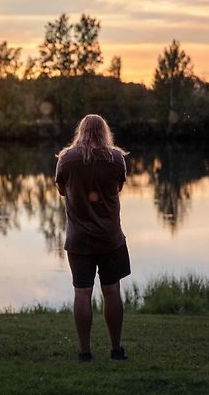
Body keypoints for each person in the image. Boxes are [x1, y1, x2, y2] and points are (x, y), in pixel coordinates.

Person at [55, 114, 130, 362]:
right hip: (110, 238)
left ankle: (85, 352)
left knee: (82, 293)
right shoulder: (117, 159)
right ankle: (116, 349)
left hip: (78, 241)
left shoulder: (66, 159)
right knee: (112, 291)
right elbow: (118, 187)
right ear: (104, 132)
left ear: (81, 131)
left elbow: (61, 190)